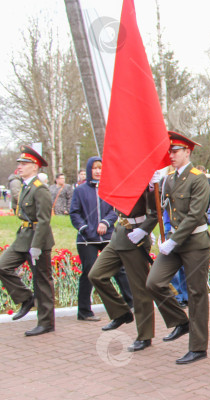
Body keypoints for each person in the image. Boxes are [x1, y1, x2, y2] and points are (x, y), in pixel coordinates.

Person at [145, 131, 210, 365]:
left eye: (175, 151)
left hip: (194, 243)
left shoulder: (198, 178)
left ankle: (198, 347)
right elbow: (164, 209)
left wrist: (174, 240)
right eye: (170, 152)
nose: (171, 156)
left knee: (196, 294)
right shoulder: (168, 179)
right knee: (154, 282)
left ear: (188, 152)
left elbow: (195, 215)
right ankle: (180, 321)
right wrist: (151, 186)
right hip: (174, 241)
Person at [90, 176, 160, 352]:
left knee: (139, 291)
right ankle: (121, 313)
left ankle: (144, 336)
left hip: (135, 236)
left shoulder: (146, 179)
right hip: (119, 235)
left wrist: (144, 231)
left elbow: (155, 212)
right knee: (96, 275)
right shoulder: (123, 176)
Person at [69, 156, 134, 322]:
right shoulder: (80, 190)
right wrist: (85, 229)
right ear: (89, 170)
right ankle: (84, 311)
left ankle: (131, 302)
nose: (98, 171)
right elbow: (75, 213)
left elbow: (115, 210)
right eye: (94, 168)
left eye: (100, 168)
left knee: (119, 269)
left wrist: (105, 222)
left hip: (107, 236)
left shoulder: (109, 189)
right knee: (89, 272)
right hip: (87, 239)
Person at [0, 146, 55, 336]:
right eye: (20, 164)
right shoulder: (25, 186)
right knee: (2, 266)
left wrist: (37, 246)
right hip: (22, 237)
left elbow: (44, 220)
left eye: (24, 164)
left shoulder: (40, 189)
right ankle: (26, 298)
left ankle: (46, 323)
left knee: (42, 281)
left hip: (37, 239)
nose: (20, 167)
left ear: (35, 166)